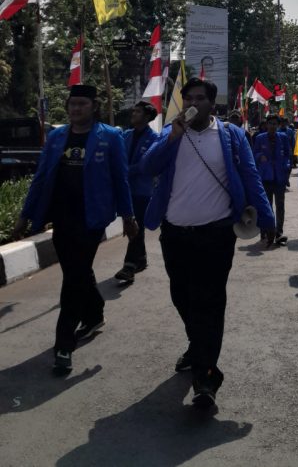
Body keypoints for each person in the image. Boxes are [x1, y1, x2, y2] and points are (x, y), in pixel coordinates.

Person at [140, 78, 275, 410]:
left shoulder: (230, 135)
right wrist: (172, 137)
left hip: (215, 234)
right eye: (188, 98)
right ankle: (198, 345)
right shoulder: (171, 133)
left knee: (210, 302)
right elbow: (147, 167)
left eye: (200, 98)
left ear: (212, 104)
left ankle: (206, 376)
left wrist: (267, 218)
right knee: (182, 296)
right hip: (175, 234)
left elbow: (250, 176)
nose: (193, 103)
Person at [14, 84, 137, 373]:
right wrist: (25, 215)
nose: (76, 109)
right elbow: (41, 177)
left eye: (82, 104)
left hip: (91, 217)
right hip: (61, 217)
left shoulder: (111, 136)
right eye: (72, 104)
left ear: (94, 107)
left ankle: (64, 346)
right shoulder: (57, 136)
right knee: (77, 271)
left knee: (73, 280)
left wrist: (128, 216)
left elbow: (121, 178)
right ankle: (94, 314)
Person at [113, 101, 159, 284]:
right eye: (133, 111)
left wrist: (124, 171)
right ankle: (141, 259)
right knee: (132, 225)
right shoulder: (126, 135)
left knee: (136, 225)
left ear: (147, 117)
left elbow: (145, 165)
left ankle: (129, 265)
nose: (133, 114)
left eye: (138, 112)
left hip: (142, 190)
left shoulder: (154, 138)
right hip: (125, 190)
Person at [253, 113, 291, 245]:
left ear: (278, 125)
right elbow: (254, 153)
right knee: (266, 206)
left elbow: (288, 154)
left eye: (275, 124)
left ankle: (279, 233)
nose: (272, 126)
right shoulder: (260, 138)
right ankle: (265, 231)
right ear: (266, 124)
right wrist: (260, 156)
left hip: (279, 178)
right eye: (270, 123)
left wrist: (286, 166)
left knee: (280, 206)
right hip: (265, 177)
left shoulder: (283, 137)